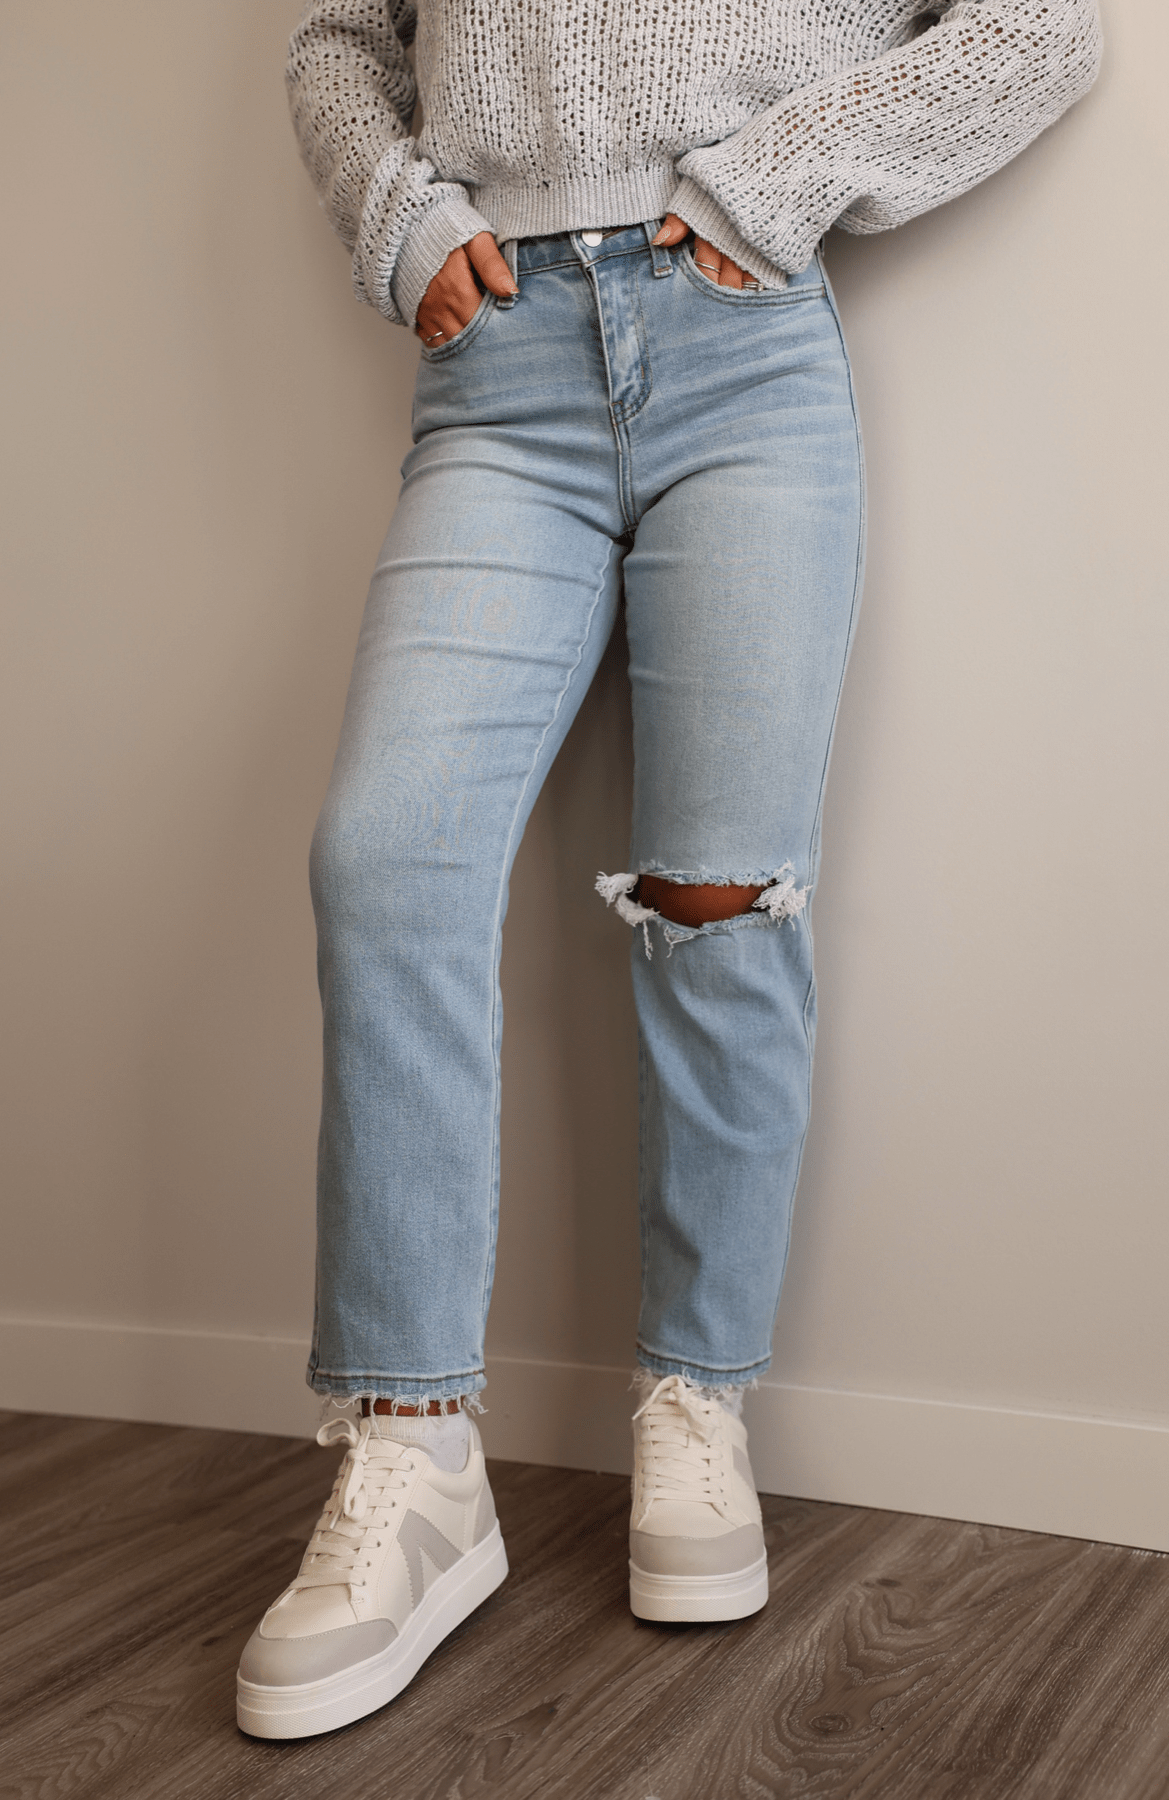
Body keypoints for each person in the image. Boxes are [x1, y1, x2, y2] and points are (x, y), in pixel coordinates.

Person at [236, 0, 1102, 1740]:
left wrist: (780, 177)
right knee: (385, 860)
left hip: (748, 357)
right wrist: (399, 216)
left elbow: (1044, 27)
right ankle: (414, 1453)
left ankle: (696, 1402)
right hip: (495, 378)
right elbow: (337, 36)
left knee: (721, 895)